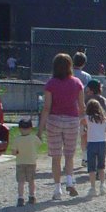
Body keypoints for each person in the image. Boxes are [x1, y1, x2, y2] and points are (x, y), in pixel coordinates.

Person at [38, 53, 85, 199]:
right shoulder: (77, 83)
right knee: (69, 154)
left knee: (56, 156)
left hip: (54, 120)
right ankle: (70, 181)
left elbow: (46, 107)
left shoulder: (51, 84)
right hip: (72, 120)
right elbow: (82, 106)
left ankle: (57, 189)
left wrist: (40, 129)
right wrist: (83, 122)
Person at [80, 99, 106, 196]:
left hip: (91, 143)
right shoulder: (105, 119)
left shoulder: (87, 118)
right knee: (101, 166)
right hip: (102, 143)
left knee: (91, 167)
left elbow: (82, 130)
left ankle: (93, 187)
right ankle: (102, 185)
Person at [12, 117, 41, 206]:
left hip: (20, 163)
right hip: (31, 162)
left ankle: (20, 198)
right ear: (31, 128)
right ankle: (32, 196)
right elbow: (39, 144)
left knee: (21, 181)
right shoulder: (33, 138)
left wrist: (17, 152)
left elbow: (14, 152)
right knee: (31, 181)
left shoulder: (17, 139)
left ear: (19, 129)